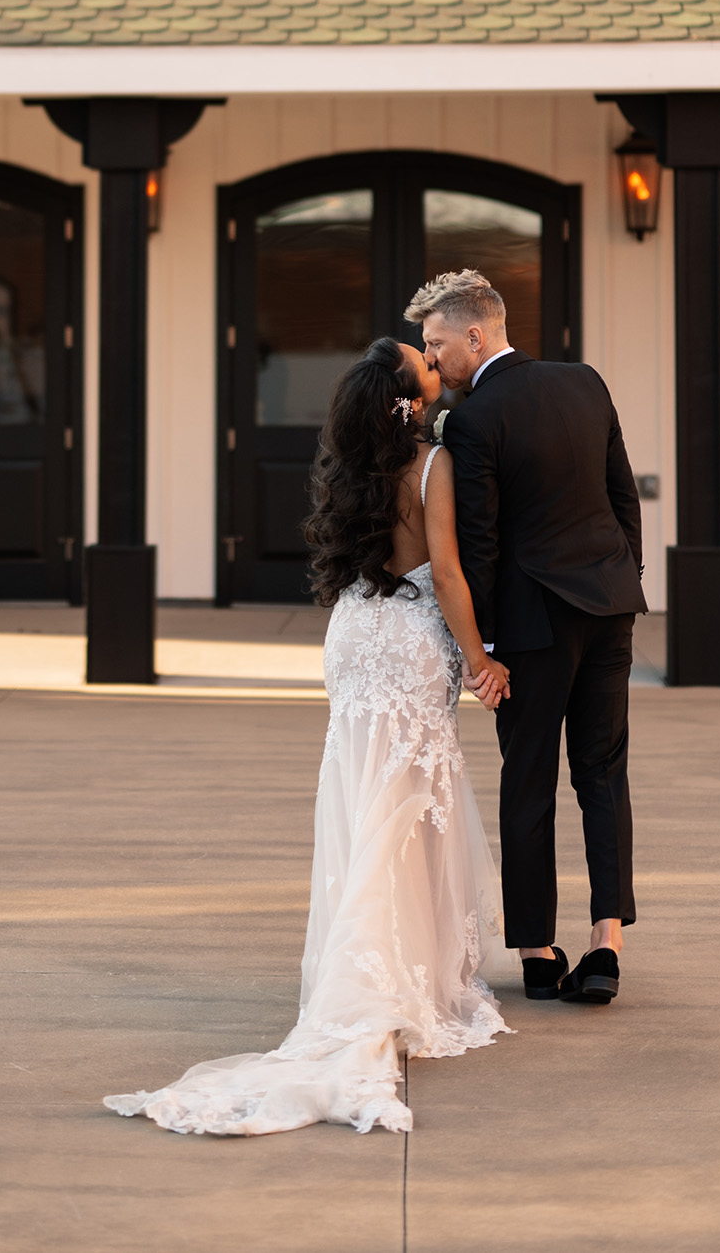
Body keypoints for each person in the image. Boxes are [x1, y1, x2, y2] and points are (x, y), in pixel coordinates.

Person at [105, 338, 515, 1137]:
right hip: (408, 643)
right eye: (424, 365)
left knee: (367, 802)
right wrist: (480, 659)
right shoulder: (432, 466)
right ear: (412, 399)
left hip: (355, 635)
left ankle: (373, 969)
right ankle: (391, 986)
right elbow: (452, 573)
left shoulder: (351, 467)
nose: (436, 365)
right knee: (408, 806)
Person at [410, 269, 646, 1008]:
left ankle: (539, 954)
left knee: (530, 779)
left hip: (534, 625)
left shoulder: (476, 419)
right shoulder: (586, 383)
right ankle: (606, 943)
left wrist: (481, 653)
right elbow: (621, 497)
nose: (433, 358)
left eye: (437, 342)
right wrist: (621, 580)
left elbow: (477, 548)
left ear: (475, 335)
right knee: (602, 772)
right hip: (608, 605)